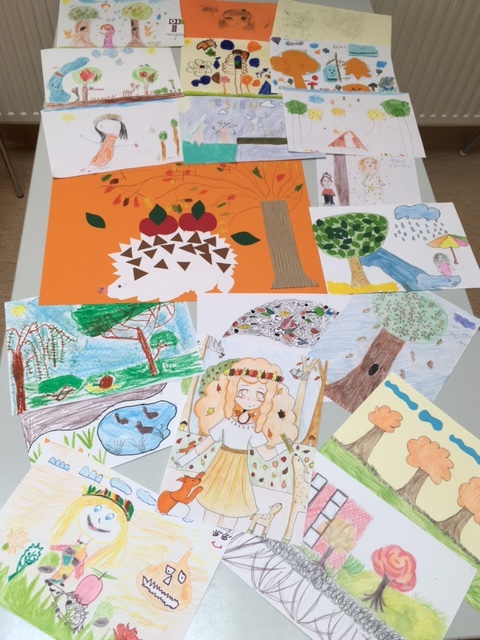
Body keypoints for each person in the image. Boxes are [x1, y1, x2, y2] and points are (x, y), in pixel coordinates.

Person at [174, 357, 297, 526]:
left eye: (259, 394)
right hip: (219, 466)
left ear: (266, 399)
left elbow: (265, 454)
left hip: (240, 471)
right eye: (243, 391)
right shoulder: (226, 422)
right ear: (232, 390)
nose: (250, 399)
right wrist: (184, 459)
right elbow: (206, 444)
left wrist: (286, 446)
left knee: (233, 509)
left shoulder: (254, 428)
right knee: (210, 503)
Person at [46, 485, 133, 584]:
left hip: (75, 557)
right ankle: (58, 578)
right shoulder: (77, 550)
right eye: (96, 509)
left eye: (109, 517)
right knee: (65, 567)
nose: (99, 519)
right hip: (72, 554)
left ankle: (59, 579)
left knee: (67, 568)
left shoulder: (83, 554)